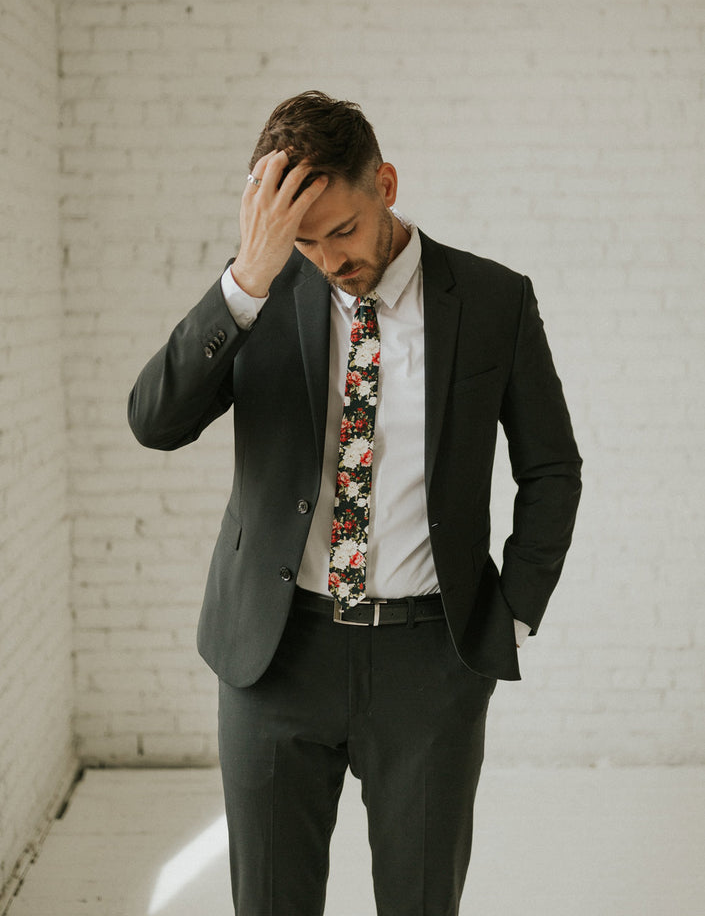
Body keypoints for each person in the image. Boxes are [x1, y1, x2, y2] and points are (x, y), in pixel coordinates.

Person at [128, 91, 582, 916]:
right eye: (303, 240)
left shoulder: (492, 300)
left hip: (428, 662)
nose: (328, 259)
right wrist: (247, 278)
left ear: (386, 184)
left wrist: (511, 614)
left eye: (342, 230)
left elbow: (551, 468)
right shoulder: (259, 296)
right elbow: (155, 423)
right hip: (274, 654)